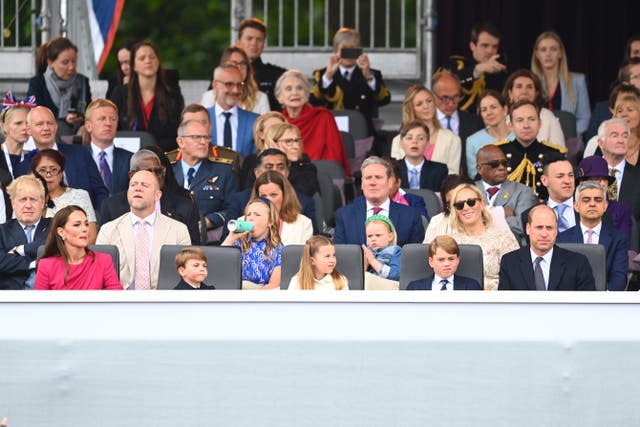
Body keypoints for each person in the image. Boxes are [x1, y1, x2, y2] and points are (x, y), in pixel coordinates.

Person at [96, 170, 191, 289]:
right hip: (120, 302)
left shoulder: (178, 230)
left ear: (157, 196)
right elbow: (99, 274)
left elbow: (187, 274)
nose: (138, 188)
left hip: (164, 302)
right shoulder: (108, 230)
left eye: (145, 185)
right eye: (133, 185)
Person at [99, 147, 201, 245]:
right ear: (131, 175)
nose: (154, 176)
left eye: (158, 171)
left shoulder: (184, 208)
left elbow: (193, 253)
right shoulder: (111, 207)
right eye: (147, 171)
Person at [15, 106, 109, 210]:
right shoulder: (23, 168)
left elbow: (100, 192)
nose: (46, 128)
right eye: (40, 124)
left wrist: (97, 220)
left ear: (56, 126)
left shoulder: (80, 153)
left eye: (49, 123)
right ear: (29, 130)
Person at [310, 27, 390, 135]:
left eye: (352, 50)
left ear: (359, 51)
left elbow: (384, 100)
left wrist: (369, 78)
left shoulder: (372, 74)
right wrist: (328, 77)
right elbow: (313, 101)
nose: (348, 55)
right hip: (331, 130)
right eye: (344, 50)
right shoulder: (322, 74)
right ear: (336, 51)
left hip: (362, 131)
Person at [222, 148, 317, 238]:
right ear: (257, 173)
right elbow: (227, 245)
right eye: (269, 167)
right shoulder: (239, 201)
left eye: (280, 167)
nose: (275, 171)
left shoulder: (305, 204)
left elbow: (314, 246)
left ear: (287, 172)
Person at [498, 204, 596, 291]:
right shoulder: (510, 262)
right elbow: (504, 305)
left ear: (556, 230)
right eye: (539, 227)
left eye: (549, 228)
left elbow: (588, 306)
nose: (544, 234)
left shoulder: (578, 263)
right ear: (528, 228)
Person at [109, 41, 184, 152]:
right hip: (128, 157)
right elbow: (113, 127)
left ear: (158, 62)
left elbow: (177, 131)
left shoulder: (172, 95)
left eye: (152, 57)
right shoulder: (120, 93)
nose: (148, 61)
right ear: (134, 66)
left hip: (163, 157)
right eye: (142, 58)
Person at [334, 156, 424, 246]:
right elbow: (341, 255)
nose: (372, 183)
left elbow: (414, 257)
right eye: (368, 178)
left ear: (390, 183)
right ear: (362, 184)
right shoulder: (344, 215)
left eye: (378, 177)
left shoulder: (411, 216)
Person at [276, 69, 350, 176]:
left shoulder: (323, 117)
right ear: (279, 98)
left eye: (300, 88)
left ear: (306, 94)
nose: (294, 93)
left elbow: (334, 154)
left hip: (320, 174)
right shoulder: (278, 122)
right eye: (288, 89)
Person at [172, 119, 237, 241]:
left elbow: (233, 209)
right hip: (172, 237)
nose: (203, 142)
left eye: (206, 137)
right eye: (196, 137)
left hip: (209, 239)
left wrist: (207, 221)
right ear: (181, 141)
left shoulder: (223, 171)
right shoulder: (168, 170)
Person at [557, 181, 628, 291]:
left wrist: (601, 300)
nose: (592, 204)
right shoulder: (562, 239)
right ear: (576, 206)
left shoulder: (618, 239)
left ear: (605, 206)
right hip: (572, 302)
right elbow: (561, 277)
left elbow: (619, 277)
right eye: (586, 200)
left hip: (606, 302)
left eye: (598, 200)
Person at [448, 183, 519, 290]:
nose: (466, 208)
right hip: (461, 300)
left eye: (471, 202)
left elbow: (516, 275)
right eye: (459, 205)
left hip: (497, 300)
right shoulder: (450, 242)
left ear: (481, 204)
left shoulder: (503, 238)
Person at [35, 206, 122, 290]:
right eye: (77, 225)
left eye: (86, 224)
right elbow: (39, 304)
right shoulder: (45, 265)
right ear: (61, 232)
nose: (85, 229)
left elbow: (117, 299)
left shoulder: (104, 261)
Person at [496, 100, 567, 200]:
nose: (526, 125)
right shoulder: (498, 153)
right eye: (520, 120)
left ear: (540, 123)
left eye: (531, 119)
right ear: (510, 125)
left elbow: (564, 189)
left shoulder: (554, 154)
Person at [390, 83, 462, 174]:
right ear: (411, 109)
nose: (426, 106)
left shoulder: (452, 139)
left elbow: (453, 175)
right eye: (419, 104)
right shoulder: (397, 141)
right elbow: (396, 175)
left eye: (429, 101)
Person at [531, 31, 591, 137]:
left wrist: (566, 135)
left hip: (568, 141)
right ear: (537, 54)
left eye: (553, 49)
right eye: (543, 49)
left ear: (560, 53)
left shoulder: (578, 80)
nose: (548, 54)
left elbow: (584, 118)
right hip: (536, 139)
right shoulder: (530, 82)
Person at [31, 149, 98, 244]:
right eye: (42, 170)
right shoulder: (27, 199)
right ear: (35, 174)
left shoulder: (80, 195)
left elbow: (91, 236)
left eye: (54, 170)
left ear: (61, 174)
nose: (48, 175)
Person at [27, 37, 91, 136]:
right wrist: (64, 120)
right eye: (65, 62)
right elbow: (36, 118)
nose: (71, 67)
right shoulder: (38, 83)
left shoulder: (82, 82)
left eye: (74, 61)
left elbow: (89, 113)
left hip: (79, 139)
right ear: (50, 62)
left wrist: (84, 126)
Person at [474, 144, 538, 243]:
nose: (501, 168)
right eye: (494, 164)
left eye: (504, 163)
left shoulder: (523, 191)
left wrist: (480, 218)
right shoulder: (469, 190)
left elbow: (522, 225)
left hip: (512, 249)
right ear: (479, 169)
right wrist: (500, 212)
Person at [0, 175, 50, 290]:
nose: (28, 205)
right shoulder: (2, 231)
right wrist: (32, 264)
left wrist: (20, 250)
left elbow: (52, 246)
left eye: (33, 199)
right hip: (10, 299)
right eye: (23, 199)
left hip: (49, 298)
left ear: (42, 203)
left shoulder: (54, 225)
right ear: (13, 203)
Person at [445, 22, 508, 113]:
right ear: (472, 46)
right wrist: (477, 71)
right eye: (485, 45)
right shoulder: (456, 64)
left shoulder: (501, 73)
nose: (490, 51)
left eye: (494, 46)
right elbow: (447, 86)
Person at [222, 197, 282, 289]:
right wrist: (231, 238)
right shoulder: (238, 242)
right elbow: (219, 265)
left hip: (260, 294)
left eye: (257, 215)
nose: (251, 218)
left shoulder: (278, 248)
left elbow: (274, 284)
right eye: (248, 215)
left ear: (270, 222)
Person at [431, 70, 484, 175]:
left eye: (455, 97)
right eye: (445, 98)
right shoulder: (423, 123)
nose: (451, 103)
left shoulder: (474, 122)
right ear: (433, 95)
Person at [206, 63, 259, 157]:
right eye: (229, 84)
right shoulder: (203, 118)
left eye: (239, 85)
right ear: (215, 85)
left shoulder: (254, 121)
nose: (235, 90)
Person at [502, 69, 566, 148]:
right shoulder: (501, 118)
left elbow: (559, 152)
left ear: (536, 93)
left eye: (529, 87)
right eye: (519, 87)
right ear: (510, 94)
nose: (524, 91)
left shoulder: (547, 116)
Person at [235, 17, 286, 111]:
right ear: (238, 43)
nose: (254, 43)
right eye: (249, 38)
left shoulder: (277, 75)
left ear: (263, 44)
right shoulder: (224, 74)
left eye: (259, 39)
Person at [200, 46, 269, 114]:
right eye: (234, 63)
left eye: (243, 63)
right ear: (224, 66)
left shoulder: (261, 98)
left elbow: (265, 124)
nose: (239, 67)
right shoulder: (209, 96)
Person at [576, 155, 632, 237]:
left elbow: (622, 243)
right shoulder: (571, 210)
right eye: (596, 179)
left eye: (604, 179)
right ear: (582, 182)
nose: (602, 183)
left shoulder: (621, 211)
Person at [596, 118, 640, 222]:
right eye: (614, 135)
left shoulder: (638, 175)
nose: (621, 140)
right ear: (601, 143)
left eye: (625, 136)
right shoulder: (585, 174)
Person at [252, 170, 312, 245]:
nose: (268, 200)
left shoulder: (303, 223)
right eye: (263, 196)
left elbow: (304, 256)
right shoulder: (243, 222)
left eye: (273, 195)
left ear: (285, 196)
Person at [586, 61, 640, 141]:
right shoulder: (602, 110)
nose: (625, 114)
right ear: (625, 84)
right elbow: (593, 142)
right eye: (637, 77)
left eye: (630, 110)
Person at [263, 122, 320, 197]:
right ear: (273, 144)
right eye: (288, 141)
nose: (296, 146)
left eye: (297, 141)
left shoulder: (307, 168)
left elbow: (297, 198)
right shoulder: (259, 167)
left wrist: (281, 159)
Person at [465, 90, 514, 177]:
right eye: (484, 110)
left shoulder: (518, 136)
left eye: (493, 107)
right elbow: (474, 176)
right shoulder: (473, 141)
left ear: (505, 110)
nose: (489, 113)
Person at [406, 235, 482, 291]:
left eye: (451, 259)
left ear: (458, 260)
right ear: (431, 262)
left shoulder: (471, 286)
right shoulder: (414, 288)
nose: (446, 264)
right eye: (441, 260)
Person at [239, 111, 287, 190]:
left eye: (281, 128)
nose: (278, 133)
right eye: (273, 128)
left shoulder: (297, 160)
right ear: (261, 134)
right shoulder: (251, 161)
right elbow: (246, 192)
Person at [395, 120, 448, 192]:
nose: (414, 142)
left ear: (427, 144)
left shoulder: (440, 170)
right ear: (401, 143)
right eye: (409, 138)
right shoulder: (392, 169)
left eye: (420, 138)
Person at [0, 94, 33, 179]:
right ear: (4, 126)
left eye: (28, 123)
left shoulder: (34, 158)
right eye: (18, 123)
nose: (25, 127)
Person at [362, 214, 401, 281]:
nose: (373, 239)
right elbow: (359, 278)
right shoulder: (367, 253)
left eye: (378, 235)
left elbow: (395, 275)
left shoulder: (395, 251)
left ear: (390, 236)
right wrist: (365, 265)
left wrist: (372, 261)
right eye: (369, 236)